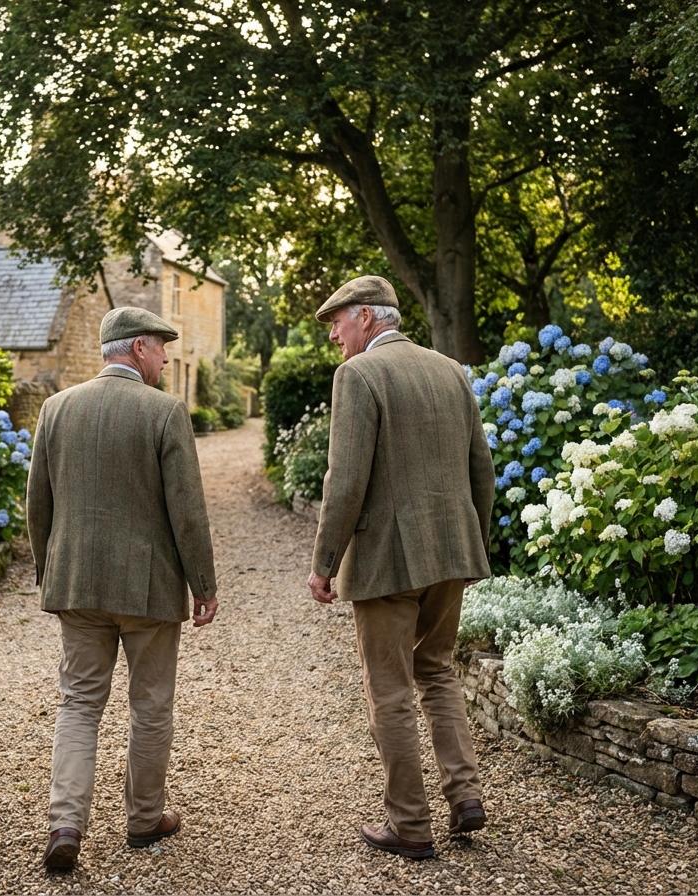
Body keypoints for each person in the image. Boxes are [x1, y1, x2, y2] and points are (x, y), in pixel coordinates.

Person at [305, 276, 495, 860]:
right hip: (451, 553)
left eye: (337, 320)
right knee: (436, 673)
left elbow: (345, 482)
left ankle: (410, 825)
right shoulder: (450, 371)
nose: (333, 334)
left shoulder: (358, 376)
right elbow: (481, 470)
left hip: (388, 560)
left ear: (366, 317)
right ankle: (464, 797)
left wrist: (324, 563)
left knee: (389, 690)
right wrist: (471, 547)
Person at [27, 306, 219, 871]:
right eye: (161, 347)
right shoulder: (164, 412)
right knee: (151, 704)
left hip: (77, 582)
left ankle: (66, 821)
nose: (164, 356)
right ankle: (144, 818)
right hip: (149, 588)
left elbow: (38, 502)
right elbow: (188, 512)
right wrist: (203, 583)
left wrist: (50, 569)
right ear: (138, 349)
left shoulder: (56, 409)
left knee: (79, 703)